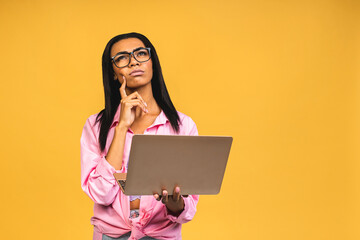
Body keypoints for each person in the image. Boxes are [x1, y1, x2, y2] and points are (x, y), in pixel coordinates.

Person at [80, 32, 199, 240]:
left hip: (161, 235)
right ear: (114, 74)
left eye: (141, 53)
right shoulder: (96, 126)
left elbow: (188, 211)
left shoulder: (182, 126)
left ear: (153, 63)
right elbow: (101, 194)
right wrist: (121, 127)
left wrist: (174, 204)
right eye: (122, 58)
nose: (134, 61)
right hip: (110, 235)